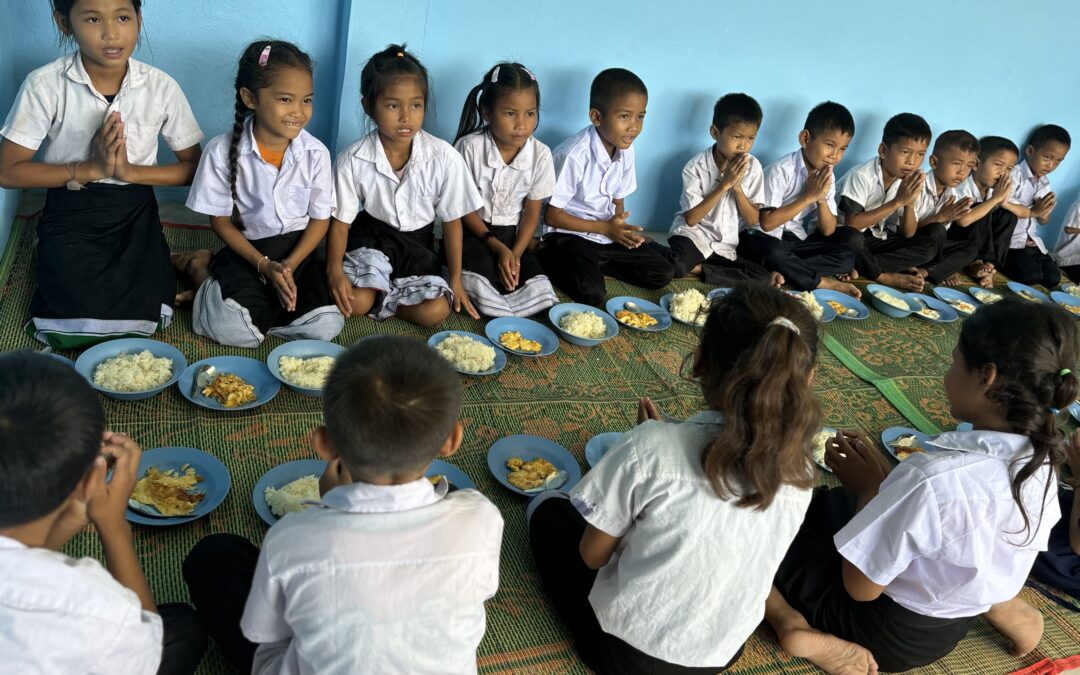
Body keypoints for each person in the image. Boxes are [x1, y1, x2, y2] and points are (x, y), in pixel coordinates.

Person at [529, 285, 836, 674]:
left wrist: (650, 449)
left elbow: (593, 556)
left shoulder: (652, 449)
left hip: (622, 652)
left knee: (549, 509)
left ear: (700, 360)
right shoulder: (803, 471)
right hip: (718, 655)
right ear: (808, 378)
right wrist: (659, 449)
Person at [767, 298, 1074, 673]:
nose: (946, 375)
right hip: (947, 627)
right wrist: (882, 488)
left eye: (953, 362)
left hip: (877, 628)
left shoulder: (934, 477)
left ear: (986, 377)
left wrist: (870, 492)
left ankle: (790, 625)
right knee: (828, 506)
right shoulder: (1042, 460)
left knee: (768, 524)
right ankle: (1013, 613)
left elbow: (859, 589)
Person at [183, 335, 505, 674]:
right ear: (452, 439)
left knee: (214, 556)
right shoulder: (481, 516)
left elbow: (263, 631)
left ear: (324, 444)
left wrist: (330, 507)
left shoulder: (291, 536)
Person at [0, 0, 203, 349]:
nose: (111, 33)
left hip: (133, 207)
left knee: (147, 313)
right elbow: (8, 171)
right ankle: (56, 248)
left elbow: (193, 169)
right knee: (73, 312)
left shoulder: (160, 87)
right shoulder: (45, 85)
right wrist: (90, 168)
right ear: (64, 22)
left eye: (123, 17)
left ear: (138, 19)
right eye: (93, 19)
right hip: (71, 205)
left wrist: (128, 171)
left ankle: (168, 259)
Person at [0, 351, 206, 675]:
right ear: (88, 482)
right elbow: (145, 642)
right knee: (183, 630)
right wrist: (112, 525)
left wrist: (73, 514)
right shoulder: (96, 611)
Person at [185, 40, 342, 348]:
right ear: (250, 98)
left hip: (300, 254)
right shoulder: (221, 151)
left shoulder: (316, 154)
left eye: (307, 100)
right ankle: (199, 270)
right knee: (232, 329)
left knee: (326, 325)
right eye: (286, 99)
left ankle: (263, 313)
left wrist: (289, 266)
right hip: (250, 254)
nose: (299, 112)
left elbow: (320, 220)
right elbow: (220, 222)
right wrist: (265, 266)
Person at [327, 44, 484, 325]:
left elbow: (451, 222)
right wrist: (334, 270)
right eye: (392, 105)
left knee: (434, 312)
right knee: (356, 302)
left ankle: (385, 297)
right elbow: (340, 223)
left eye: (416, 105)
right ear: (368, 106)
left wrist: (455, 278)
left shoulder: (444, 157)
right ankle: (379, 294)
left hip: (418, 247)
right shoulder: (352, 159)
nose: (406, 117)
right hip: (372, 240)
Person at [537, 68, 674, 306]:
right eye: (624, 116)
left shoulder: (626, 150)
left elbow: (617, 200)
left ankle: (594, 265)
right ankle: (551, 259)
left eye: (640, 116)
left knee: (663, 272)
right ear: (597, 117)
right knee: (593, 295)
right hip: (570, 235)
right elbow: (552, 215)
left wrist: (620, 229)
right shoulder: (574, 154)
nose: (634, 127)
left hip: (604, 236)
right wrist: (605, 228)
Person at [452, 61, 558, 316]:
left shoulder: (540, 154)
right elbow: (461, 208)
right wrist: (496, 247)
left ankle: (513, 289)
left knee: (535, 285)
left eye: (530, 113)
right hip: (473, 231)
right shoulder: (469, 147)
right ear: (487, 111)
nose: (522, 124)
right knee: (483, 275)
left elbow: (532, 212)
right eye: (510, 114)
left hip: (513, 237)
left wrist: (516, 255)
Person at [739, 100, 860, 296]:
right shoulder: (781, 170)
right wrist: (808, 197)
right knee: (774, 252)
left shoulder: (827, 175)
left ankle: (782, 270)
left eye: (842, 149)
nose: (834, 156)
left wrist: (820, 199)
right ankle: (820, 281)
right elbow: (767, 223)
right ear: (805, 139)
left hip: (793, 241)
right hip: (760, 238)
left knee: (846, 257)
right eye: (829, 145)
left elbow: (828, 230)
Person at [665, 93, 781, 287]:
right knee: (675, 265)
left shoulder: (753, 167)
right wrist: (724, 184)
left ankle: (700, 268)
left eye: (751, 138)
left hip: (726, 244)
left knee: (761, 277)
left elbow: (753, 220)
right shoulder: (695, 167)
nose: (743, 145)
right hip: (694, 236)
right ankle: (693, 264)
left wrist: (737, 188)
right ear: (715, 132)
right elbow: (692, 220)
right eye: (737, 137)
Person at [834, 113, 938, 292]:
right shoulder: (861, 176)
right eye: (905, 152)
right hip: (839, 237)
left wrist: (909, 203)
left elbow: (907, 233)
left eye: (920, 154)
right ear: (883, 150)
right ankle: (882, 275)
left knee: (930, 242)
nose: (912, 161)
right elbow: (852, 224)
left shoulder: (907, 179)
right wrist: (898, 201)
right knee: (853, 239)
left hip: (871, 239)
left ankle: (861, 264)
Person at [1002, 124, 1070, 288]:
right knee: (1030, 276)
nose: (1051, 166)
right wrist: (1034, 211)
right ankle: (999, 261)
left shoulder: (1044, 183)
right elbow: (1003, 204)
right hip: (1012, 242)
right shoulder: (1015, 175)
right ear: (1030, 151)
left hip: (1032, 242)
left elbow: (1043, 221)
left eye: (1058, 161)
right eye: (1047, 158)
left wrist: (1044, 212)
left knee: (1053, 278)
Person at [951, 135, 1019, 286]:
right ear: (976, 164)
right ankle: (974, 263)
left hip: (978, 244)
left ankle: (989, 266)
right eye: (998, 165)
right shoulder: (963, 186)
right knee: (980, 208)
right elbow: (962, 221)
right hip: (955, 239)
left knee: (1008, 216)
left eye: (1009, 169)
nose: (1003, 173)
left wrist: (1000, 200)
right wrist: (994, 199)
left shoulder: (992, 191)